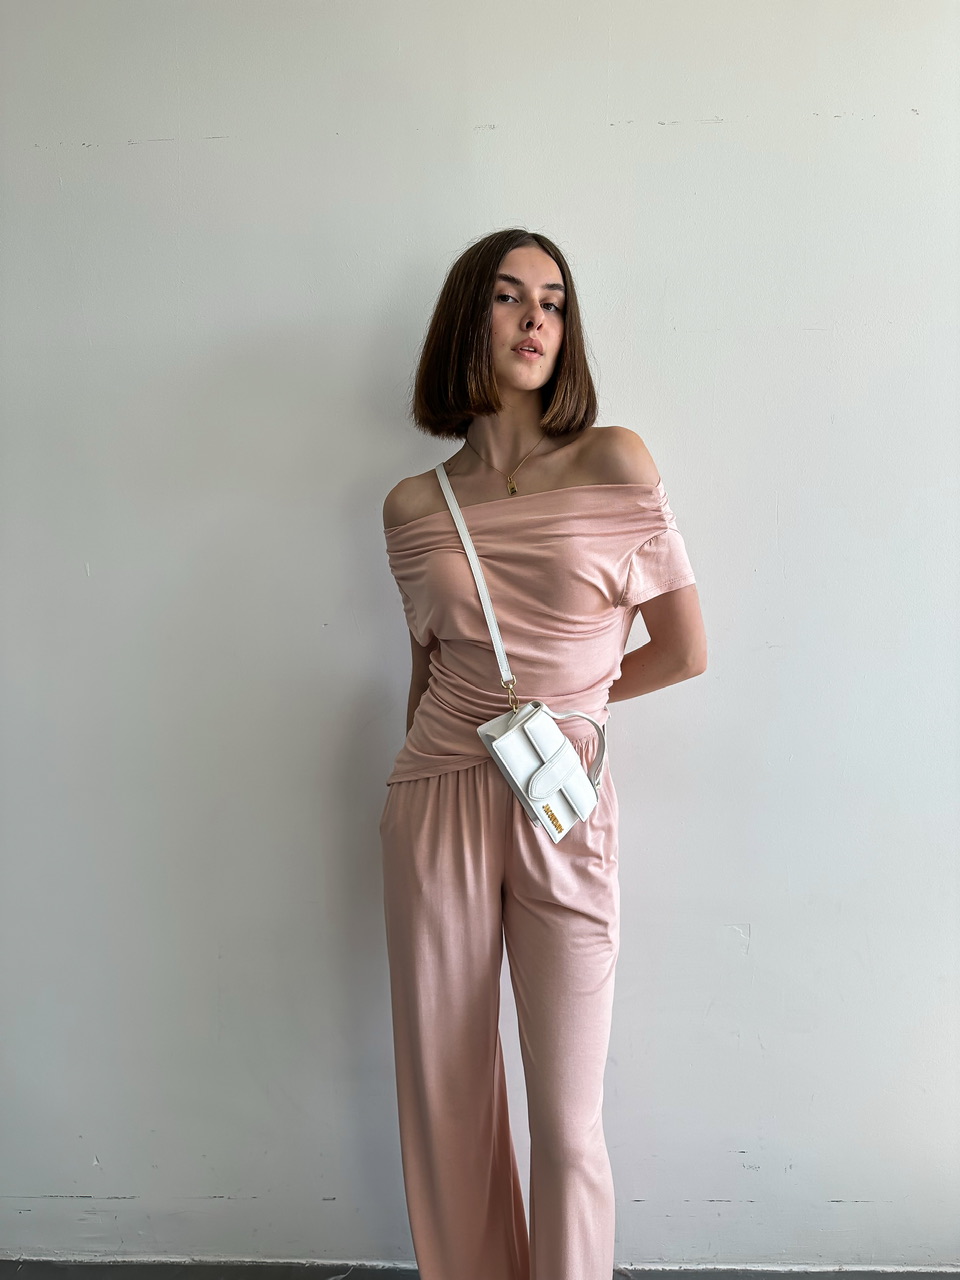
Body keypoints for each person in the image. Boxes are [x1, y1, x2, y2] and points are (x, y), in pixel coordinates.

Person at [378, 227, 707, 1280]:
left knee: (568, 1123)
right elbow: (426, 672)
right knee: (448, 1105)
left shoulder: (615, 460)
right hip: (436, 799)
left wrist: (569, 713)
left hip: (560, 798)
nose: (535, 320)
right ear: (466, 318)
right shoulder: (413, 505)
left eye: (554, 302)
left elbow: (685, 650)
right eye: (510, 297)